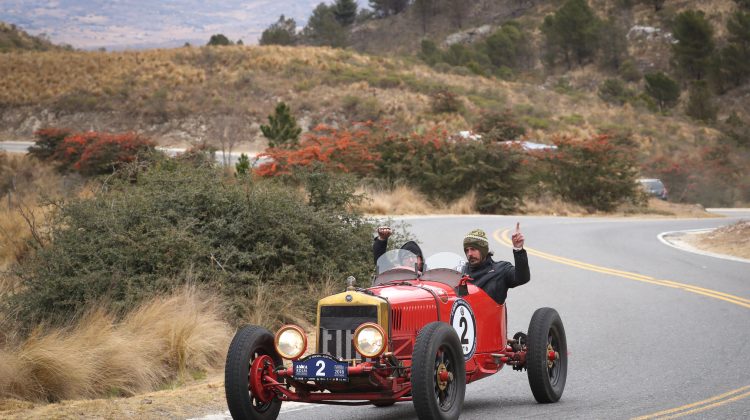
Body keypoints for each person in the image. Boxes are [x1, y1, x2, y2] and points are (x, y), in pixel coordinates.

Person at [463, 223, 529, 305]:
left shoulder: (501, 270)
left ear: (483, 250)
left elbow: (522, 278)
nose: (469, 254)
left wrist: (518, 250)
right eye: (466, 250)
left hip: (490, 316)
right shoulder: (461, 271)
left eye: (473, 249)